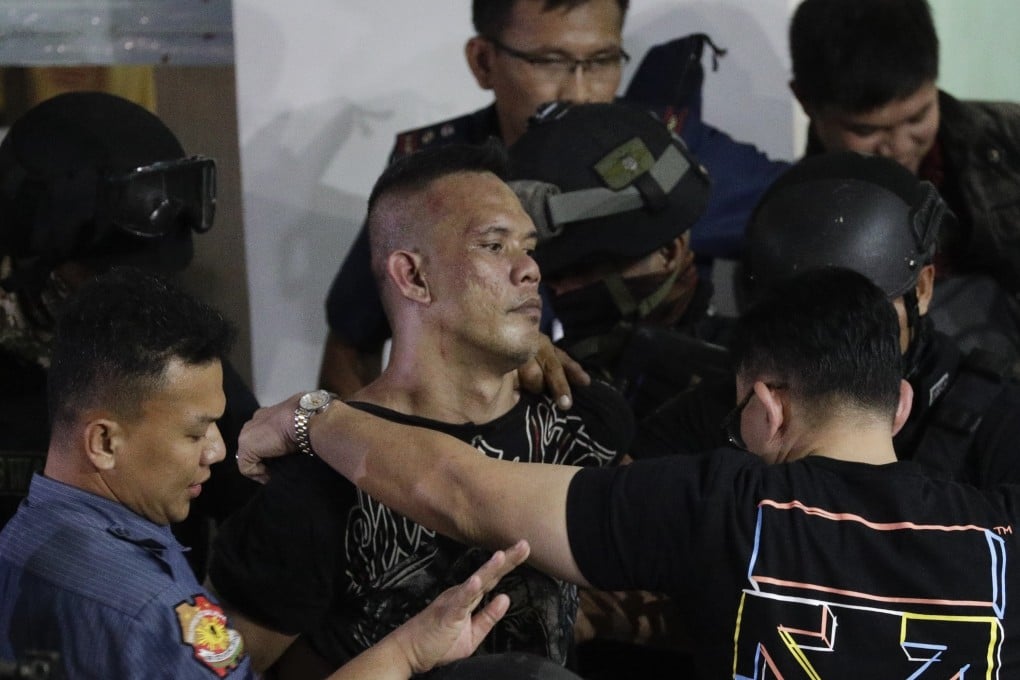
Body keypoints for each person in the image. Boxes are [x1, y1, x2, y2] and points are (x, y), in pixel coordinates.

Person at [238, 266, 1020, 678]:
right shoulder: (1003, 532)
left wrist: (315, 417)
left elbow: (461, 489)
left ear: (769, 406)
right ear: (903, 403)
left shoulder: (722, 504)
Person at [207, 143, 632, 677]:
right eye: (493, 245)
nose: (529, 270)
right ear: (412, 277)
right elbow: (222, 672)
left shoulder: (582, 419)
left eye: (528, 247)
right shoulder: (318, 477)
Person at [0, 267, 544, 680]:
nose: (215, 451)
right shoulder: (152, 614)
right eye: (195, 432)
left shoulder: (17, 540)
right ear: (103, 441)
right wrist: (407, 651)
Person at [319, 0, 789, 396]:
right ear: (484, 61)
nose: (580, 92)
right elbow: (352, 344)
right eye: (549, 62)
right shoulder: (436, 180)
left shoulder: (663, 160)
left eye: (602, 60)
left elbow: (835, 218)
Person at [640, 151, 1020, 490]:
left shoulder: (999, 428)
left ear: (921, 289)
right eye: (801, 315)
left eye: (861, 311)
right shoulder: (716, 413)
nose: (830, 338)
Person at [0, 90, 259, 579]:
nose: (130, 313)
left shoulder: (166, 359)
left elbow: (262, 512)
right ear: (42, 261)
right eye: (103, 282)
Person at [788, 0, 1020, 355]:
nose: (899, 147)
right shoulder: (790, 228)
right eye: (867, 129)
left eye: (917, 118)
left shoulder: (1008, 139)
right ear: (806, 102)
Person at [509, 100, 733, 421]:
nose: (562, 289)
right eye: (552, 273)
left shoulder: (759, 373)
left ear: (669, 253)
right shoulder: (536, 379)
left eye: (584, 268)